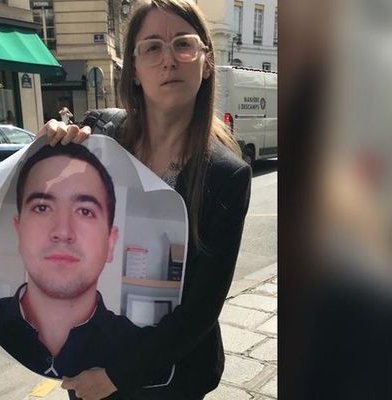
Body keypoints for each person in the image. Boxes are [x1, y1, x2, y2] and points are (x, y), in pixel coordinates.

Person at [37, 1, 252, 399]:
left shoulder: (227, 175)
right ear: (132, 69)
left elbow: (201, 309)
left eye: (183, 45)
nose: (168, 59)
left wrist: (117, 376)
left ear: (205, 62)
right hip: (91, 350)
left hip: (173, 375)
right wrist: (49, 146)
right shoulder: (100, 133)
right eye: (152, 47)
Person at [0, 143, 172, 389]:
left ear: (110, 243)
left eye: (84, 211)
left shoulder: (138, 347)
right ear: (19, 231)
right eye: (42, 207)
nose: (62, 232)